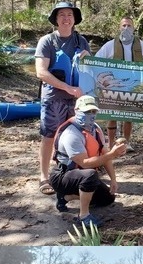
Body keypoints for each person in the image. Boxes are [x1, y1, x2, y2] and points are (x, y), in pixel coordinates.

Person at [34, 2, 90, 194]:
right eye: (62, 15)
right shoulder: (47, 41)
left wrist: (87, 58)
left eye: (69, 15)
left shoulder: (81, 41)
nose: (66, 18)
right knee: (49, 136)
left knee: (74, 137)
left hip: (76, 100)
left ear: (74, 20)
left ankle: (69, 175)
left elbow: (90, 70)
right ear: (56, 20)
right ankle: (44, 176)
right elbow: (41, 72)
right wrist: (66, 87)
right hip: (53, 98)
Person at [49, 95, 128, 227]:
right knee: (90, 175)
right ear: (77, 110)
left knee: (108, 198)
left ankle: (65, 197)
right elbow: (84, 163)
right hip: (63, 176)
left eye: (93, 112)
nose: (90, 115)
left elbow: (105, 154)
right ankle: (83, 216)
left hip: (82, 175)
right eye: (86, 112)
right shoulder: (71, 134)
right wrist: (113, 154)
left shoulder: (95, 129)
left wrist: (113, 179)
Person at [95, 15, 143, 150]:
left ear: (134, 28)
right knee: (112, 115)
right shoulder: (109, 45)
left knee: (128, 116)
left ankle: (125, 143)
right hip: (113, 86)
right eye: (124, 25)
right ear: (119, 27)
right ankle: (110, 144)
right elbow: (96, 61)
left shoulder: (142, 45)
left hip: (132, 85)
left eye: (129, 26)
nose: (126, 28)